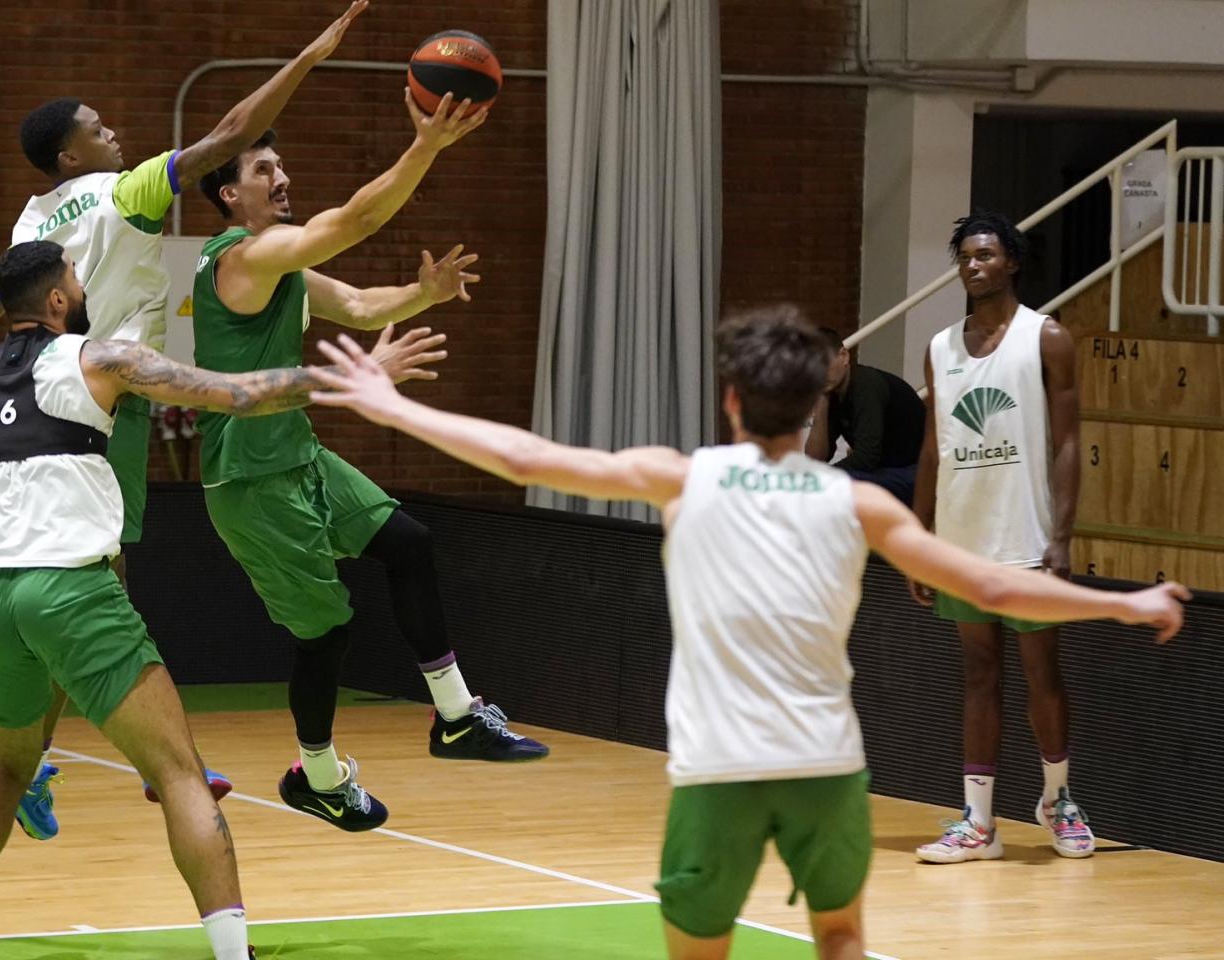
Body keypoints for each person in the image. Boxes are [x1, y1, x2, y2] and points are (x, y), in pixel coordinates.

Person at [304, 304, 1187, 960]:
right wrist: (1126, 604)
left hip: (719, 773)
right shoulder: (860, 502)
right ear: (815, 405)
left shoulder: (681, 479)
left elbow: (527, 457)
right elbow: (999, 583)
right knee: (840, 940)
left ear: (730, 400)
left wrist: (391, 407)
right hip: (826, 769)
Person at [0, 241, 443, 960]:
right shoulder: (100, 359)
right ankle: (233, 954)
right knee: (180, 772)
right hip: (71, 588)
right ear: (57, 301)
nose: (83, 288)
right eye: (76, 279)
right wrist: (351, 380)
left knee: (4, 770)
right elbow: (232, 393)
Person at [0, 0, 370, 836]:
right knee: (93, 586)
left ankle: (68, 761)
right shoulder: (125, 192)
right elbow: (232, 132)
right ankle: (155, 763)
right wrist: (308, 58)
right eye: (96, 125)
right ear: (69, 153)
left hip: (11, 412)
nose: (113, 130)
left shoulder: (28, 224)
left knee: (72, 584)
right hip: (96, 402)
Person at [192, 87, 545, 836]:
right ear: (231, 194)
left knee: (409, 544)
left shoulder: (280, 270)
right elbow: (352, 222)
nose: (282, 177)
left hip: (300, 455)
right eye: (265, 169)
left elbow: (353, 304)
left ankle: (456, 718)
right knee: (325, 637)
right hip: (251, 484)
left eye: (282, 164)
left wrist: (423, 294)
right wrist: (427, 147)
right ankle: (317, 777)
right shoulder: (240, 260)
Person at [911, 212, 1089, 863]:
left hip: (1027, 537)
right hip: (961, 541)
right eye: (964, 257)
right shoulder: (939, 347)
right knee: (978, 673)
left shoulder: (1048, 337)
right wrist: (919, 536)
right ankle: (978, 822)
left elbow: (1069, 442)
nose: (973, 266)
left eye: (985, 255)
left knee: (1043, 672)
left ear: (1011, 262)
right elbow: (934, 447)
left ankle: (1059, 798)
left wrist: (1062, 535)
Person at [803, 327, 926, 505]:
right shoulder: (833, 392)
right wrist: (821, 402)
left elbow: (867, 458)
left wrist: (821, 478)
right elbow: (816, 458)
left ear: (844, 356)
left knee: (831, 484)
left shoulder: (866, 385)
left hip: (914, 474)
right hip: (886, 472)